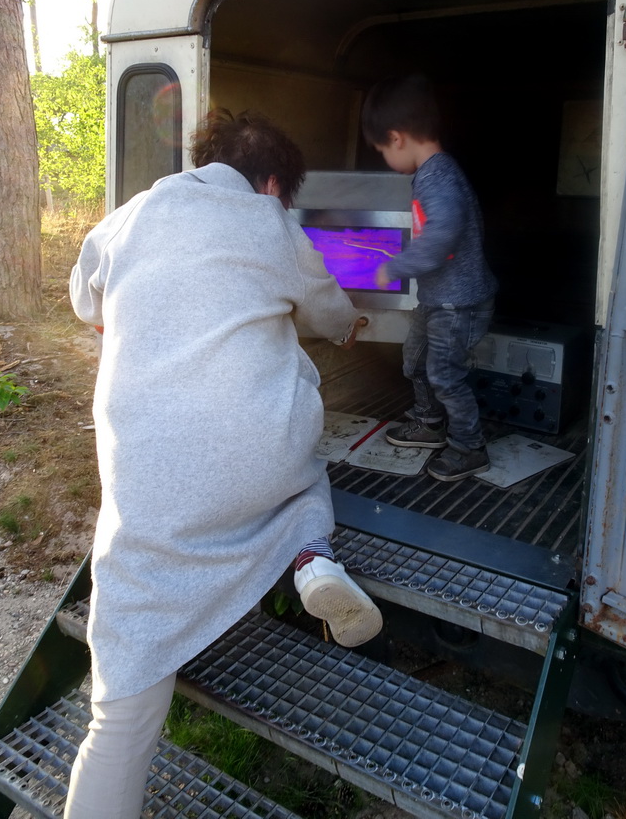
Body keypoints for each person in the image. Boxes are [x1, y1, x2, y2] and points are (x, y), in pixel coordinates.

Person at [65, 109, 381, 819]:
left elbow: (85, 301)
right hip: (255, 465)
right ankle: (312, 557)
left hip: (146, 486)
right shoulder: (270, 224)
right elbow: (331, 310)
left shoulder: (127, 219)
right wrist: (350, 327)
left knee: (117, 713)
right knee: (300, 464)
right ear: (271, 185)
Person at [362, 75, 497, 483]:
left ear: (396, 138)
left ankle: (468, 447)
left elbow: (440, 236)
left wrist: (394, 266)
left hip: (459, 304)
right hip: (439, 300)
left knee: (444, 375)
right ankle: (428, 422)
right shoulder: (431, 174)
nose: (385, 158)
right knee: (416, 361)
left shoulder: (438, 177)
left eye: (381, 150)